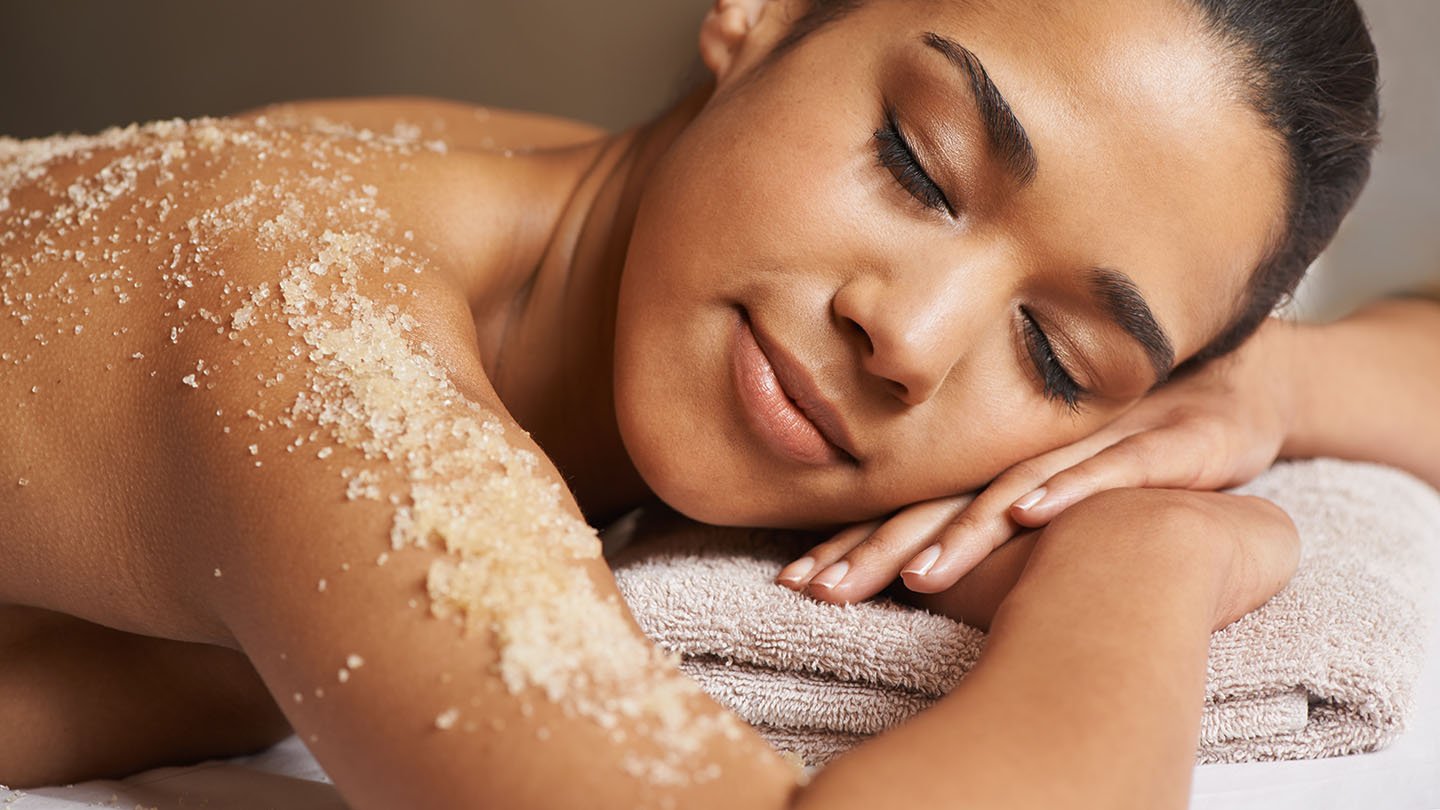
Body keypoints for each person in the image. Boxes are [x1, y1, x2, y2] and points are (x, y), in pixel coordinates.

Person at [1, 0, 1431, 807]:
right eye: (919, 164)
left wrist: (1269, 385)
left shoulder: (540, 233)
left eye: (1055, 355)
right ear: (761, 13)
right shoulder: (310, 315)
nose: (909, 336)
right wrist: (1147, 560)